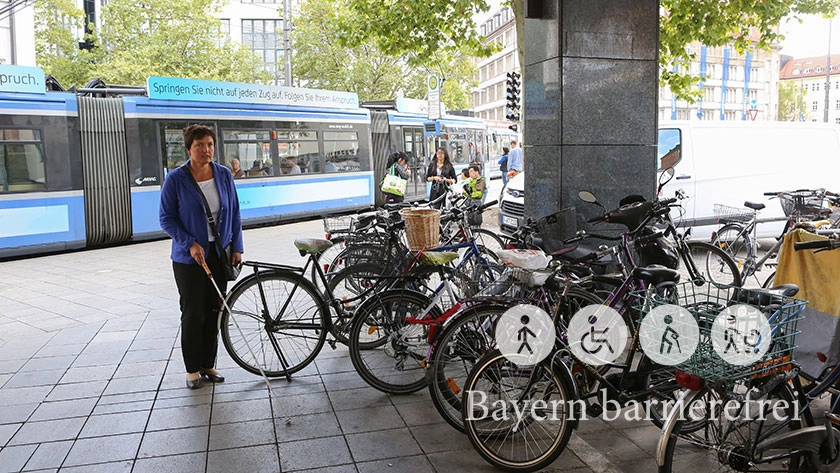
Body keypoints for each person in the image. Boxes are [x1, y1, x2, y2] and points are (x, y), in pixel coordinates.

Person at [159, 124, 244, 390]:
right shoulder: (176, 179)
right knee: (193, 313)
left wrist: (237, 247)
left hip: (219, 255)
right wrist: (189, 243)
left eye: (209, 144)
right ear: (188, 148)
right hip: (189, 260)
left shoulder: (223, 175)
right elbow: (166, 219)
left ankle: (209, 364)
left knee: (214, 311)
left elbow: (236, 214)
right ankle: (192, 369)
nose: (206, 150)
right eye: (199, 145)